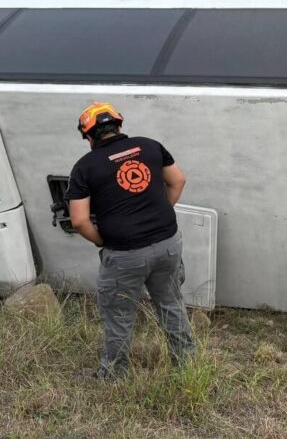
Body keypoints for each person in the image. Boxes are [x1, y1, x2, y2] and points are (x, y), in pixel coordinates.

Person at [65, 102, 195, 379]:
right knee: (171, 304)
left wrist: (103, 240)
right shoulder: (150, 146)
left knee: (119, 315)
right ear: (119, 125)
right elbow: (178, 181)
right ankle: (187, 366)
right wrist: (159, 215)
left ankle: (114, 374)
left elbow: (79, 221)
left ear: (88, 136)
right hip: (167, 243)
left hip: (124, 254)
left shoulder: (84, 167)